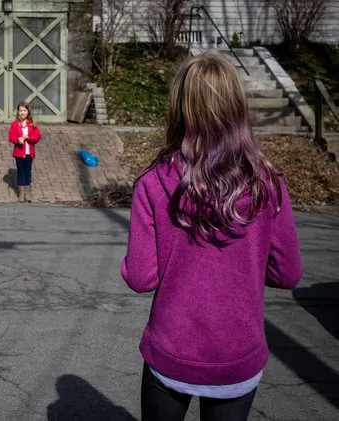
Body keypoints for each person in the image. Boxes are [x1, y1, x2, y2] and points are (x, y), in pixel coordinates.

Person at [121, 53, 303, 421]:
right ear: (236, 107)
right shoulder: (267, 183)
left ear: (180, 107)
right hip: (239, 354)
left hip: (171, 352)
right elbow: (288, 274)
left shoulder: (153, 183)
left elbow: (140, 278)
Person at [8, 101, 41, 202]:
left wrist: (28, 138)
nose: (22, 112)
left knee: (28, 172)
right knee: (21, 172)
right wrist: (18, 140)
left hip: (29, 153)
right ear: (18, 112)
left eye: (24, 110)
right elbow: (11, 136)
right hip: (19, 153)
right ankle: (21, 193)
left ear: (28, 112)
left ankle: (28, 192)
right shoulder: (14, 124)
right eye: (20, 110)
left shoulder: (32, 125)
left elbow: (37, 137)